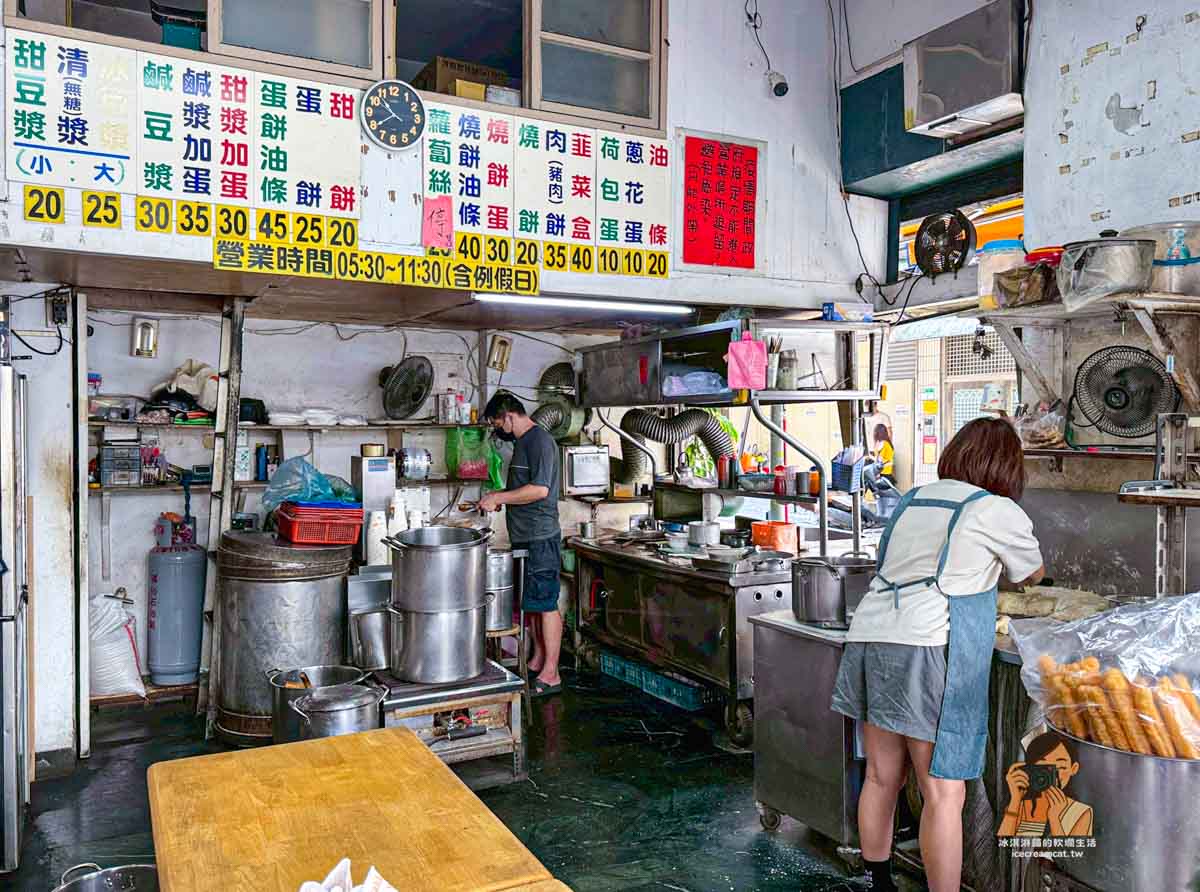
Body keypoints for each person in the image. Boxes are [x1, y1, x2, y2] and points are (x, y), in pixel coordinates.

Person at [830, 418, 1046, 892]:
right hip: (926, 646)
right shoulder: (996, 509)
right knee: (943, 791)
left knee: (882, 776)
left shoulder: (914, 499)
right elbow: (1031, 574)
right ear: (1008, 467)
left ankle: (880, 883)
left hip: (871, 636)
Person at [479, 392, 564, 697]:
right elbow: (524, 489)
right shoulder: (523, 443)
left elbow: (540, 490)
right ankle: (538, 660)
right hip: (526, 536)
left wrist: (499, 497)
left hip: (541, 536)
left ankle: (551, 673)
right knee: (533, 603)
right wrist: (500, 497)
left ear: (509, 416)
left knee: (546, 603)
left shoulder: (539, 441)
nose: (498, 430)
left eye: (497, 424)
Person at [997, 731, 1093, 838]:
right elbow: (1003, 842)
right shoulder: (1018, 804)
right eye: (1043, 767)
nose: (1052, 775)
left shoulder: (1080, 812)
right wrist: (1015, 800)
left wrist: (1054, 818)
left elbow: (1071, 848)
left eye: (1061, 767)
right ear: (1030, 768)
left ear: (1073, 768)